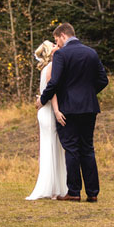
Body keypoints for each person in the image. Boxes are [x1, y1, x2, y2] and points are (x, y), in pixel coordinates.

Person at [36, 23, 108, 202]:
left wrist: (42, 100)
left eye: (56, 40)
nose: (56, 44)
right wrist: (89, 94)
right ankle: (92, 193)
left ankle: (74, 192)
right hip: (89, 107)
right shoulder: (91, 52)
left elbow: (54, 83)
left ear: (62, 35)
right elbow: (103, 80)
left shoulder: (62, 54)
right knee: (88, 148)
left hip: (69, 108)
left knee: (72, 149)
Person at [26, 40, 68, 200]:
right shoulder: (51, 67)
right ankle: (53, 189)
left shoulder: (45, 68)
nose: (57, 45)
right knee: (52, 147)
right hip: (49, 111)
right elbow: (52, 91)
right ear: (50, 51)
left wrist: (41, 99)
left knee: (51, 147)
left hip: (45, 110)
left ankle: (54, 187)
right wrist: (57, 110)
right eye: (54, 45)